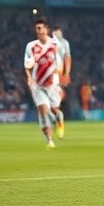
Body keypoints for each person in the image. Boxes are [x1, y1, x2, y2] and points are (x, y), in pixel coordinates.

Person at [23, 19, 63, 148]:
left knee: (54, 110)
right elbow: (27, 64)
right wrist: (29, 77)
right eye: (37, 29)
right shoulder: (31, 46)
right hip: (37, 85)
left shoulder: (55, 44)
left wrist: (59, 78)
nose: (38, 31)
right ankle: (50, 140)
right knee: (42, 111)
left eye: (40, 28)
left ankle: (58, 119)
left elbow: (60, 65)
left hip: (52, 85)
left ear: (47, 29)